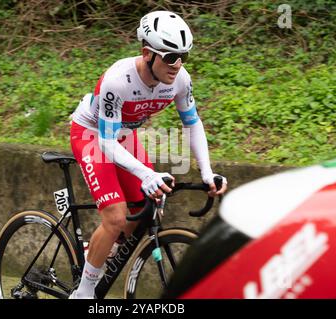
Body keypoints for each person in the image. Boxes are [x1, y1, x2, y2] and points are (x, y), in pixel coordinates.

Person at [69, 10, 228, 299]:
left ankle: (99, 248)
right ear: (147, 53)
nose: (177, 65)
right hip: (93, 134)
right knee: (116, 217)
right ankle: (84, 292)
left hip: (123, 136)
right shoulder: (117, 80)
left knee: (150, 204)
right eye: (169, 57)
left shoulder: (180, 80)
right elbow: (106, 142)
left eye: (183, 56)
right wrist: (146, 173)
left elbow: (192, 123)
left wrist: (206, 172)